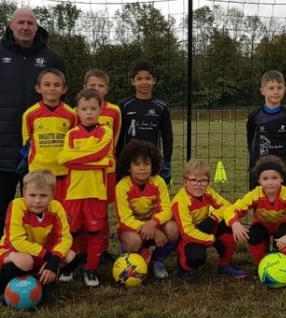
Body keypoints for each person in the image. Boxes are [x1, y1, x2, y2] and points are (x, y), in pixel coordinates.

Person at [0, 8, 66, 252]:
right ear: (11, 25)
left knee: (42, 192)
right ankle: (1, 237)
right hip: (4, 138)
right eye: (21, 22)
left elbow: (61, 89)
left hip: (43, 144)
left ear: (37, 27)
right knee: (1, 193)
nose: (25, 27)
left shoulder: (52, 57)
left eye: (30, 23)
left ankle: (46, 237)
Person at [0, 169, 78, 307]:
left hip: (40, 253)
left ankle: (39, 281)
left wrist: (54, 260)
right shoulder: (17, 205)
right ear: (24, 193)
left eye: (43, 195)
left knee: (70, 256)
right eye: (32, 195)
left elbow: (65, 237)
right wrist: (48, 256)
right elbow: (16, 241)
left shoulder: (56, 208)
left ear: (53, 195)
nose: (37, 200)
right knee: (25, 261)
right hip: (13, 251)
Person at [57, 89, 114, 287]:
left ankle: (91, 268)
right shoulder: (71, 134)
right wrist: (98, 161)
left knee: (94, 230)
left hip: (96, 192)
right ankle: (70, 265)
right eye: (84, 109)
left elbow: (103, 154)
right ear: (77, 111)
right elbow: (63, 159)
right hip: (74, 191)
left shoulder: (105, 131)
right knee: (72, 230)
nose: (89, 113)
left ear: (100, 110)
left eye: (93, 108)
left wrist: (77, 159)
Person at [225, 155, 286, 265]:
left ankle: (285, 264)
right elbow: (229, 210)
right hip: (263, 224)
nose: (270, 182)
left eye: (274, 178)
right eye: (265, 178)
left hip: (283, 224)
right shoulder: (255, 195)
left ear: (282, 178)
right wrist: (234, 223)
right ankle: (261, 264)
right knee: (254, 235)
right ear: (259, 180)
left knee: (283, 232)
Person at [114, 139, 179, 279]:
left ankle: (157, 260)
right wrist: (151, 229)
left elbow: (167, 210)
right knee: (134, 241)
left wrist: (153, 223)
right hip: (133, 230)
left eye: (147, 164)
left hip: (154, 225)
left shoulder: (158, 182)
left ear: (153, 165)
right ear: (128, 167)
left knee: (173, 229)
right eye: (136, 164)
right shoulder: (122, 186)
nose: (142, 168)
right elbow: (124, 219)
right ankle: (133, 259)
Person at [171, 159, 246, 278]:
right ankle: (184, 265)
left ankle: (225, 264)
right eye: (193, 180)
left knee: (229, 222)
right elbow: (186, 232)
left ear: (208, 182)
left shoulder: (208, 192)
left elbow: (227, 207)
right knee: (196, 258)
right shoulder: (180, 202)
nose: (198, 184)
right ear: (184, 182)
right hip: (189, 236)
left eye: (203, 181)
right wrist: (213, 240)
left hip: (206, 227)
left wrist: (213, 218)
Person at [83, 68, 122, 264]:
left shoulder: (114, 111)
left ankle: (103, 249)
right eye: (92, 86)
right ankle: (82, 249)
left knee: (103, 210)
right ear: (84, 87)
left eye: (100, 86)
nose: (96, 89)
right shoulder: (78, 111)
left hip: (107, 169)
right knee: (83, 209)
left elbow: (115, 138)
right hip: (84, 171)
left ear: (106, 89)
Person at [22, 68, 77, 203]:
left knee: (62, 208)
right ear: (38, 88)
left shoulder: (71, 115)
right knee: (40, 205)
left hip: (63, 170)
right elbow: (28, 141)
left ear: (64, 89)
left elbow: (75, 141)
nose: (52, 89)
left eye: (57, 85)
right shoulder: (30, 114)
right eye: (47, 85)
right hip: (38, 171)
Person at [117, 60, 173, 186]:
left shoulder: (161, 107)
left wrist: (167, 161)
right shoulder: (124, 106)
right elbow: (119, 136)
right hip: (129, 161)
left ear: (154, 81)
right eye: (139, 78)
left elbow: (167, 137)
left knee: (152, 197)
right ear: (133, 81)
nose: (144, 82)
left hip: (152, 160)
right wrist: (119, 161)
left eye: (148, 78)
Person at [246, 71, 286, 190]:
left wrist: (280, 153)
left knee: (280, 201)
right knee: (257, 200)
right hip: (257, 167)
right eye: (271, 88)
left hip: (279, 167)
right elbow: (251, 140)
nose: (276, 91)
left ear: (284, 90)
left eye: (279, 88)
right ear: (262, 91)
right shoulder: (254, 116)